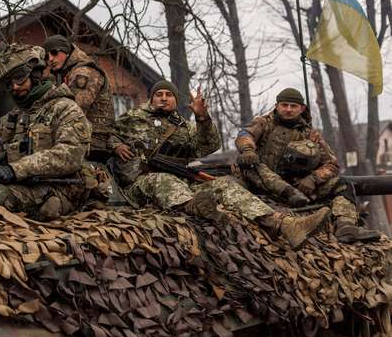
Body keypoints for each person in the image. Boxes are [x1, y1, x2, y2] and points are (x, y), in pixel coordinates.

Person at [110, 80, 329, 249]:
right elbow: (103, 134)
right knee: (161, 179)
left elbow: (209, 145)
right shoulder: (133, 117)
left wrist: (203, 119)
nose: (164, 98)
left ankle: (283, 224)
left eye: (169, 95)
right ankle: (196, 207)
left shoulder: (184, 127)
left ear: (176, 101)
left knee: (225, 185)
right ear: (151, 99)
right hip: (138, 185)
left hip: (181, 184)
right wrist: (116, 144)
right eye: (159, 94)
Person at [235, 87, 379, 243]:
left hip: (297, 186)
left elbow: (331, 164)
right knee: (251, 163)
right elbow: (245, 134)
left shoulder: (311, 135)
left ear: (301, 108)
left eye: (293, 106)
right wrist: (248, 149)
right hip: (261, 181)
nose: (288, 109)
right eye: (284, 105)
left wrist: (313, 178)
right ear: (277, 106)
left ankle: (346, 226)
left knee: (342, 184)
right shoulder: (264, 123)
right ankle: (288, 194)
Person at [0, 43, 93, 220]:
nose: (14, 87)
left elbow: (70, 154)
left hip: (60, 189)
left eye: (20, 78)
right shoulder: (7, 121)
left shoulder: (65, 109)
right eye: (8, 84)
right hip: (21, 186)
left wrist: (16, 169)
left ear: (36, 73)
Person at [44, 35, 114, 162]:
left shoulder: (83, 72)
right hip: (81, 139)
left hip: (93, 145)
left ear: (66, 51)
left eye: (54, 53)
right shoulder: (67, 73)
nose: (50, 59)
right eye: (46, 56)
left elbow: (74, 111)